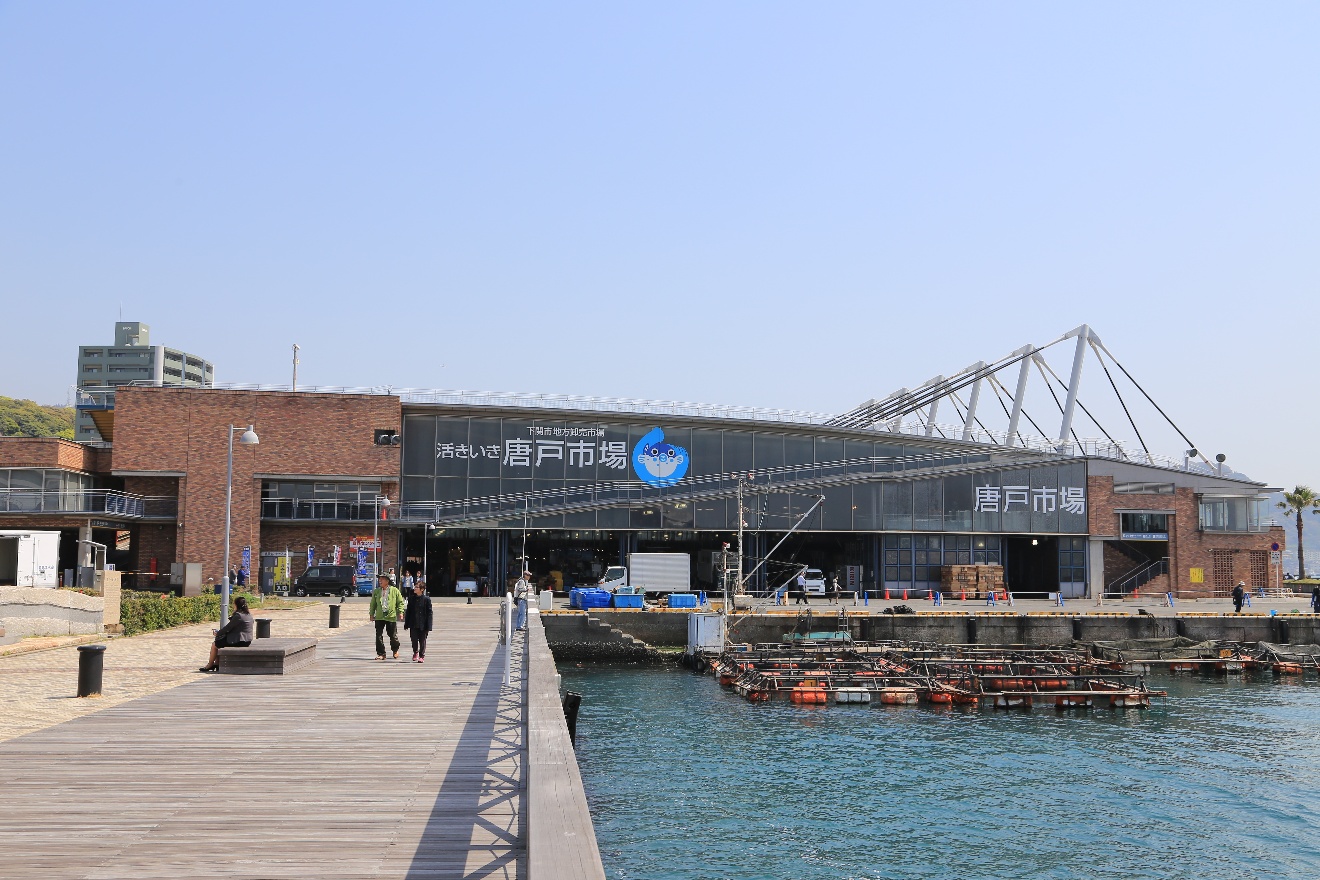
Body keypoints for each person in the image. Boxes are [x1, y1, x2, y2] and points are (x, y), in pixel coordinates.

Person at [198, 596, 254, 672]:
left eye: (234, 604)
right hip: (247, 640)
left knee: (215, 644)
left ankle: (210, 664)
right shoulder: (248, 615)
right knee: (219, 642)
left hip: (239, 641)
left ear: (236, 605)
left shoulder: (238, 616)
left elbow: (228, 628)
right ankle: (217, 664)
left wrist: (217, 633)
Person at [370, 573, 405, 659]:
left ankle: (395, 650)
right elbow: (373, 604)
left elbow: (400, 602)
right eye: (379, 579)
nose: (380, 581)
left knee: (392, 635)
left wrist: (400, 612)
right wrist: (371, 614)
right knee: (378, 635)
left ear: (387, 581)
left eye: (382, 579)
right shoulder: (377, 591)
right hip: (379, 616)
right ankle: (381, 653)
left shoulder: (394, 590)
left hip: (391, 616)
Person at [404, 578, 433, 663]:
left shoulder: (426, 600)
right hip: (413, 622)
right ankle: (415, 652)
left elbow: (429, 613)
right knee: (413, 639)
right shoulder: (411, 599)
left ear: (422, 589)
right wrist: (406, 623)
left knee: (422, 640)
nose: (415, 588)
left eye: (417, 587)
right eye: (415, 587)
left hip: (423, 624)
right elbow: (408, 612)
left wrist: (429, 625)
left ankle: (421, 655)